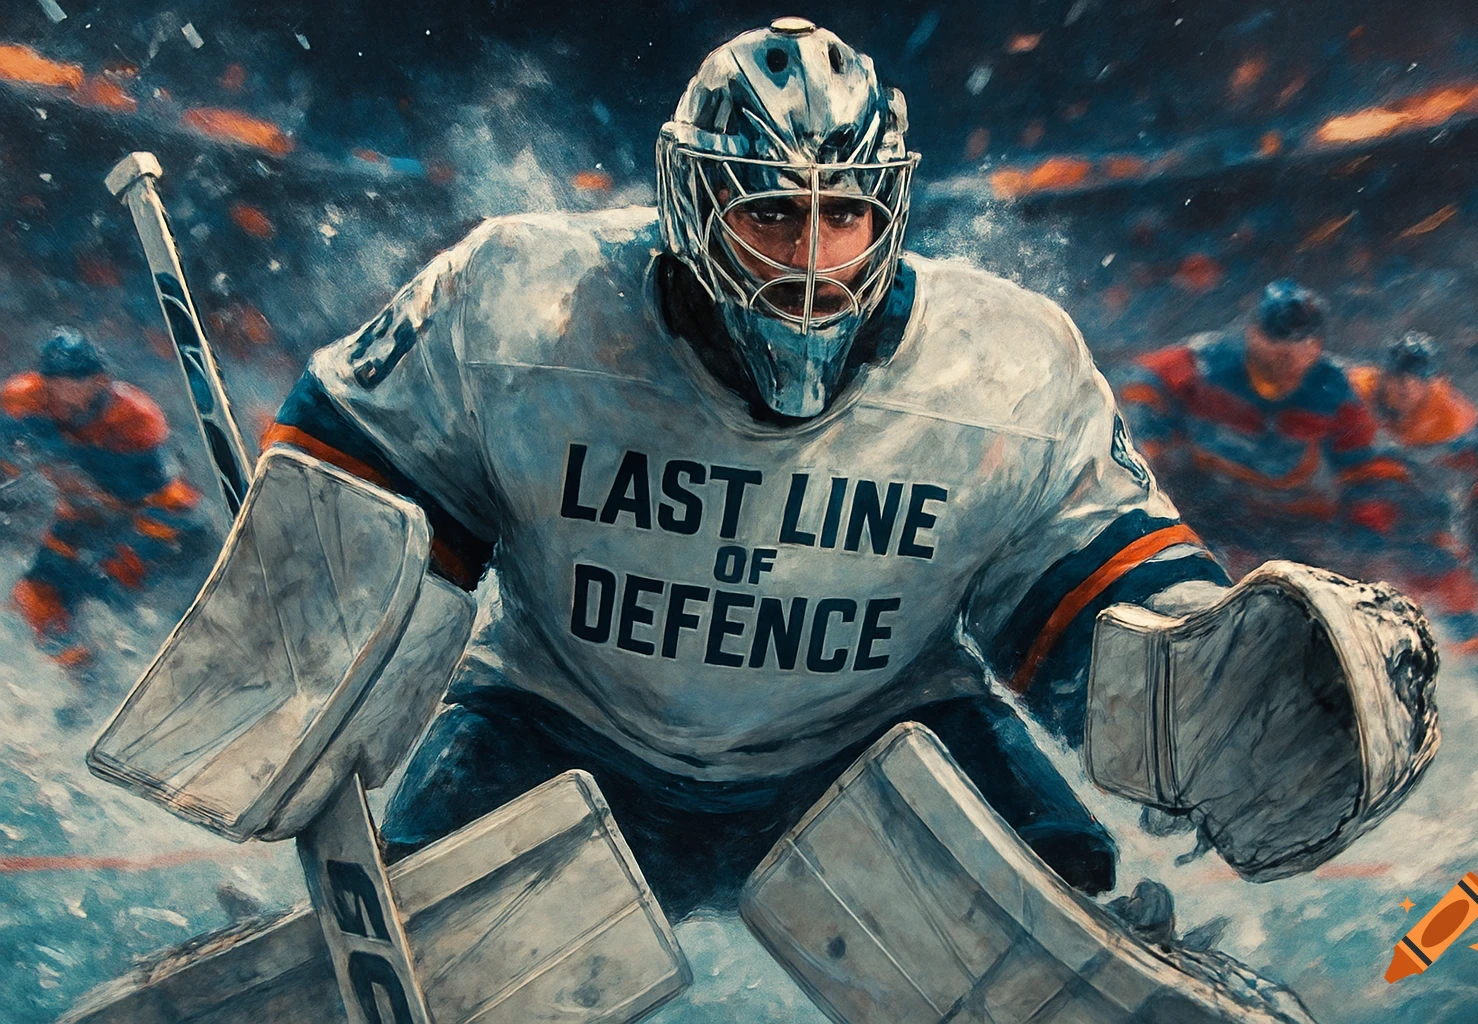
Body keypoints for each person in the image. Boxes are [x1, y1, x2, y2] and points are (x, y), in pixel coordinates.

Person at [256, 22, 1417, 927]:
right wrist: (309, 639)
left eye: (846, 213)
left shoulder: (1005, 360)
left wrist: (1199, 680)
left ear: (893, 207)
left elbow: (1081, 591)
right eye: (770, 212)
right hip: (562, 719)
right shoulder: (518, 299)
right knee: (398, 928)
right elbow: (355, 479)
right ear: (692, 200)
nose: (814, 259)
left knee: (1073, 895)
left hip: (868, 735)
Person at [1118, 279, 1406, 573]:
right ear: (1253, 332)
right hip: (1207, 509)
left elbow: (1371, 470)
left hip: (1297, 530)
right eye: (1276, 335)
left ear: (1317, 345)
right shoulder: (1207, 361)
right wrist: (1153, 450)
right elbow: (1142, 383)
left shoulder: (1338, 394)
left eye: (1303, 339)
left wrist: (1368, 532)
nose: (1288, 350)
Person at [3, 328, 205, 675]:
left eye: (70, 380)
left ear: (98, 381)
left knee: (111, 590)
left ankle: (162, 666)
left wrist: (122, 558)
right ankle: (88, 680)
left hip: (158, 522)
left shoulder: (135, 417)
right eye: (51, 380)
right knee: (35, 596)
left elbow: (165, 499)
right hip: (84, 517)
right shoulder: (22, 400)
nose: (57, 392)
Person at [1346, 332, 1478, 687]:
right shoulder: (1352, 389)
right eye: (1398, 377)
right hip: (1347, 504)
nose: (1406, 387)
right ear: (1384, 374)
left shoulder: (1453, 414)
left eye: (1417, 379)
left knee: (1449, 581)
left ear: (1430, 381)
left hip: (1416, 512)